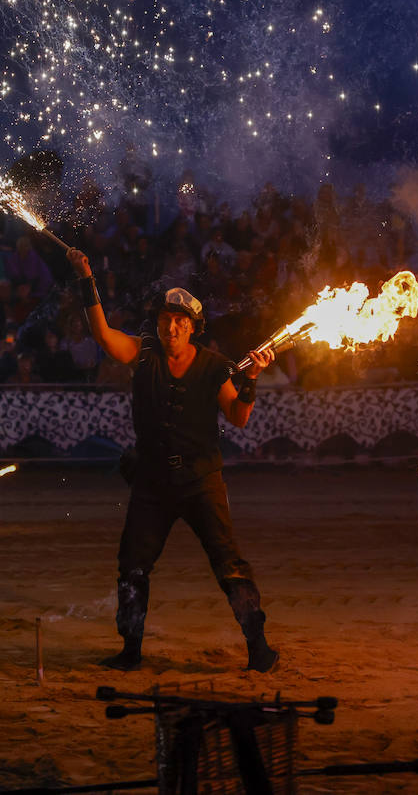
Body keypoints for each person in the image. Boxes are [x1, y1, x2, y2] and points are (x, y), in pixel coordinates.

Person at [66, 246, 279, 673]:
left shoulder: (216, 367)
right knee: (132, 567)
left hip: (202, 481)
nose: (172, 326)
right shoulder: (143, 353)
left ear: (193, 327)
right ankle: (130, 650)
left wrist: (251, 380)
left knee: (228, 563)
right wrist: (86, 277)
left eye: (181, 321)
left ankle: (258, 647)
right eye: (166, 319)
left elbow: (238, 417)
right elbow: (104, 335)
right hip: (152, 483)